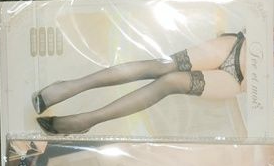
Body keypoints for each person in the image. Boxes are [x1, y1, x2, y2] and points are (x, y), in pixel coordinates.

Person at [31, 32, 246, 134]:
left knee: (166, 75)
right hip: (240, 62)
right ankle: (76, 104)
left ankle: (74, 105)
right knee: (165, 74)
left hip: (240, 67)